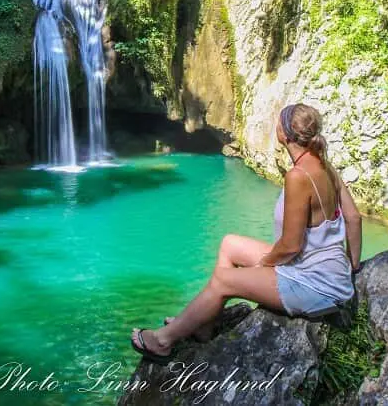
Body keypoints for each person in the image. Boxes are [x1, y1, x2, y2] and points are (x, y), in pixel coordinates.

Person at [130, 102, 363, 364]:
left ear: (284, 134)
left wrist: (264, 265)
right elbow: (353, 218)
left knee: (225, 280)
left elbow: (290, 245)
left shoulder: (298, 176)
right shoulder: (325, 166)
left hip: (315, 284)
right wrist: (353, 266)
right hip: (321, 270)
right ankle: (204, 324)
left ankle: (163, 341)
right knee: (230, 244)